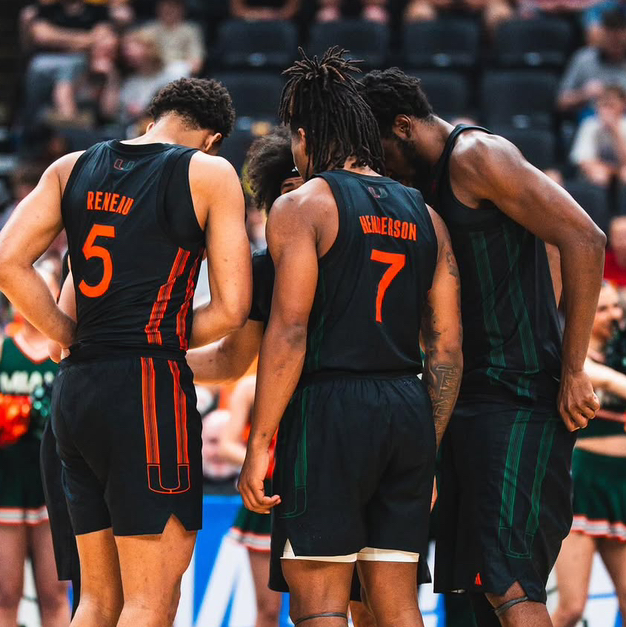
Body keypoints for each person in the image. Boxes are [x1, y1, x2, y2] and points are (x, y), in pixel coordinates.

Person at [0, 77, 252, 627]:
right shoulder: (209, 172)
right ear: (212, 139)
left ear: (153, 116)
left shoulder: (71, 167)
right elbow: (233, 309)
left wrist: (71, 333)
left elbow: (7, 262)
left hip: (76, 392)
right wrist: (152, 335)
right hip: (146, 389)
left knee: (98, 602)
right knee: (151, 602)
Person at [359, 68, 606, 627]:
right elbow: (543, 247)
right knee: (469, 590)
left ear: (403, 126)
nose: (380, 167)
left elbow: (583, 238)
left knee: (508, 581)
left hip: (518, 397)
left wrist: (572, 367)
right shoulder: (423, 184)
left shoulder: (477, 155)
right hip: (467, 396)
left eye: (380, 150)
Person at [237, 48, 463, 627]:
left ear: (305, 137)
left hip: (330, 408)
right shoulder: (428, 215)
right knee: (397, 606)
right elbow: (446, 348)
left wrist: (259, 443)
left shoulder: (302, 205)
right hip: (407, 409)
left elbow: (289, 332)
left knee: (321, 607)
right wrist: (429, 445)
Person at [0, 259, 70, 627]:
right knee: (5, 594)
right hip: (6, 481)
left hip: (53, 483)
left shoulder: (66, 348)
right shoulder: (3, 348)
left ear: (55, 293)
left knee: (54, 593)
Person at [552, 282, 626, 627]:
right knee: (572, 608)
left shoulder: (620, 352)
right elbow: (607, 382)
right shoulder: (571, 358)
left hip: (620, 484)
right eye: (603, 309)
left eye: (616, 307)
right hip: (582, 482)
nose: (614, 315)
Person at [558, 8, 626, 116]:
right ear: (602, 35)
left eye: (618, 41)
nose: (614, 45)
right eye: (610, 39)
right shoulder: (584, 59)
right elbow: (561, 102)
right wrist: (584, 94)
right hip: (589, 119)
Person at [570, 85, 626, 186]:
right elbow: (584, 161)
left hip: (620, 170)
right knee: (599, 174)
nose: (606, 110)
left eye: (611, 105)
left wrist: (615, 131)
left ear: (622, 105)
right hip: (597, 172)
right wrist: (610, 170)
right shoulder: (589, 125)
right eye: (603, 105)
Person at [142, 0, 205, 76]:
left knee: (178, 71)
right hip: (153, 72)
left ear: (182, 9)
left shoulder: (190, 30)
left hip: (179, 71)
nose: (169, 9)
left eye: (173, 6)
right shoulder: (149, 28)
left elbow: (197, 64)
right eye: (165, 5)